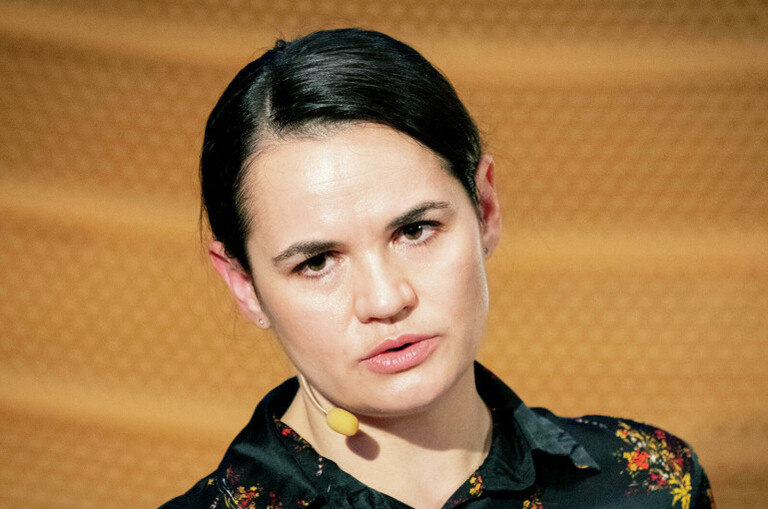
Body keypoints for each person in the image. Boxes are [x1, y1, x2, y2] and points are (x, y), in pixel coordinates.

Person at [161, 28, 714, 508]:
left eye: (414, 230)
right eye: (317, 262)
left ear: (485, 209)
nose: (385, 300)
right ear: (244, 285)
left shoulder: (652, 485)